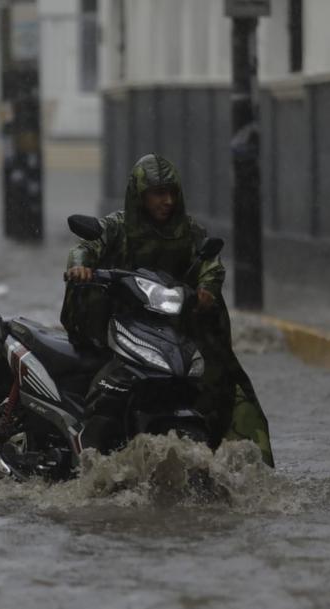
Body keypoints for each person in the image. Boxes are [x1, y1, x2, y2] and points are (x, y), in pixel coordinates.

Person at [61, 153, 274, 467]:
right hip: (124, 323)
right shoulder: (118, 227)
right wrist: (81, 268)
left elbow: (210, 264)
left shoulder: (188, 231)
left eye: (172, 193)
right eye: (158, 193)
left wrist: (205, 291)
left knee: (227, 384)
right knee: (101, 373)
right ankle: (87, 440)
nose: (168, 201)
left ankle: (240, 462)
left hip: (175, 327)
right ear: (140, 195)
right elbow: (85, 248)